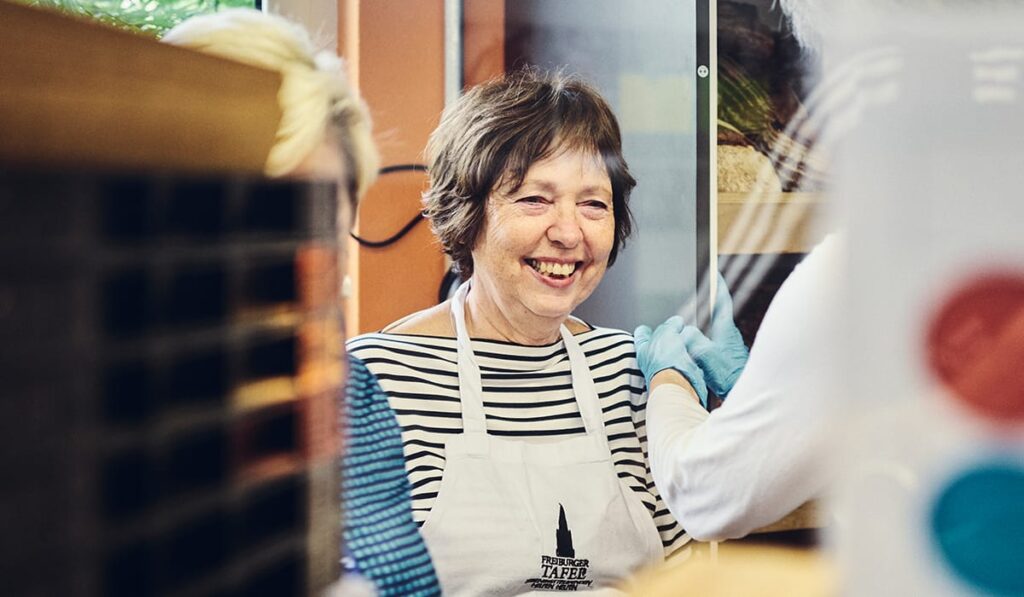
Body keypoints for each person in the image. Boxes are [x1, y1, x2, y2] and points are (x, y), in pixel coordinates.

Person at [346, 69, 689, 595]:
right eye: (535, 199)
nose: (569, 232)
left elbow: (685, 576)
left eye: (594, 204)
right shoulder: (378, 380)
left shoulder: (630, 371)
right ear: (469, 213)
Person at [163, 10, 442, 597]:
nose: (290, 267)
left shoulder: (355, 400)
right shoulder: (81, 431)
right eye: (251, 222)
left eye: (316, 227)